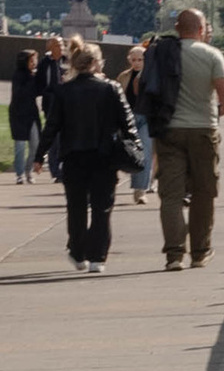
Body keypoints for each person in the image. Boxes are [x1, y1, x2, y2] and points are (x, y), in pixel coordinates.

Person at [146, 6, 224, 270]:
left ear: (177, 28)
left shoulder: (162, 53)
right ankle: (200, 252)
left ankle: (174, 255)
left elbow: (142, 87)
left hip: (168, 132)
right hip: (203, 130)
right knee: (204, 192)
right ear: (201, 30)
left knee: (171, 196)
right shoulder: (211, 55)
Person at [40, 39, 134, 272]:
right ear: (94, 63)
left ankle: (77, 252)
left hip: (73, 157)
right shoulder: (111, 89)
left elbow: (52, 125)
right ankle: (97, 257)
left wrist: (39, 154)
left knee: (76, 207)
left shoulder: (63, 91)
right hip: (104, 156)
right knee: (102, 208)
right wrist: (135, 149)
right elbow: (127, 122)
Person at [120, 41, 156, 203]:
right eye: (133, 60)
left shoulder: (152, 76)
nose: (136, 63)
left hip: (147, 117)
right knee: (130, 153)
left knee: (145, 153)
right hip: (129, 118)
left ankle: (140, 190)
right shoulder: (124, 77)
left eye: (140, 60)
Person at [8, 47, 38, 183]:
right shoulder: (18, 75)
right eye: (31, 60)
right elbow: (20, 93)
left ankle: (28, 170)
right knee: (20, 145)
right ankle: (19, 174)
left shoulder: (34, 75)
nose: (34, 63)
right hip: (19, 114)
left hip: (32, 113)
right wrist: (32, 79)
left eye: (35, 60)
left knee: (35, 144)